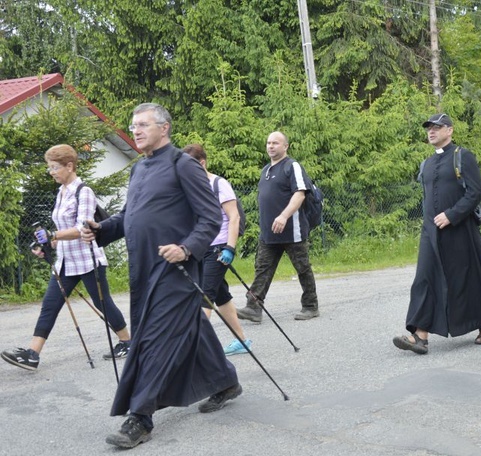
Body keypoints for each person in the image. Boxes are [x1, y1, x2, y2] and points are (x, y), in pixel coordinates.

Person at [83, 103, 241, 449]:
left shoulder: (182, 165)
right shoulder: (139, 170)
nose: (135, 130)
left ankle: (140, 416)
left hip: (177, 271)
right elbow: (129, 217)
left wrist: (186, 248)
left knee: (153, 339)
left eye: (142, 125)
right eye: (133, 125)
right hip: (144, 271)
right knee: (191, 329)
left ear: (164, 128)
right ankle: (225, 380)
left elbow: (211, 217)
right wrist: (101, 229)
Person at [1, 145, 131, 371]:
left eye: (54, 167)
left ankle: (127, 342)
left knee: (103, 303)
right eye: (49, 167)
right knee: (49, 306)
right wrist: (48, 245)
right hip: (65, 261)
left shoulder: (84, 191)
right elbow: (62, 229)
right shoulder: (61, 192)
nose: (51, 172)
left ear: (69, 166)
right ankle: (33, 354)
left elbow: (82, 228)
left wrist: (53, 234)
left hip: (88, 260)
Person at [393, 113, 481, 354]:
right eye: (429, 128)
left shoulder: (463, 156)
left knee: (469, 277)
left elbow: (475, 192)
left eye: (437, 127)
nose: (431, 131)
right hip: (431, 232)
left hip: (460, 229)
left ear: (450, 130)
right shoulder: (427, 163)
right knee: (425, 277)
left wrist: (451, 215)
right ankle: (420, 335)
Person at [236, 131, 319, 323]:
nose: (271, 146)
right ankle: (253, 308)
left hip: (292, 230)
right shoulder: (265, 170)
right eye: (268, 143)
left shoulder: (292, 166)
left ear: (285, 146)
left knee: (302, 268)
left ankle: (310, 305)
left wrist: (284, 216)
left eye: (275, 143)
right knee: (262, 269)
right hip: (269, 233)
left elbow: (300, 194)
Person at [183, 144, 252, 355]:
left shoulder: (219, 184)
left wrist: (230, 248)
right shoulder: (193, 187)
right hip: (201, 248)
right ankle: (241, 340)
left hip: (219, 249)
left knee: (204, 295)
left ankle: (193, 348)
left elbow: (234, 217)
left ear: (201, 163)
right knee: (220, 295)